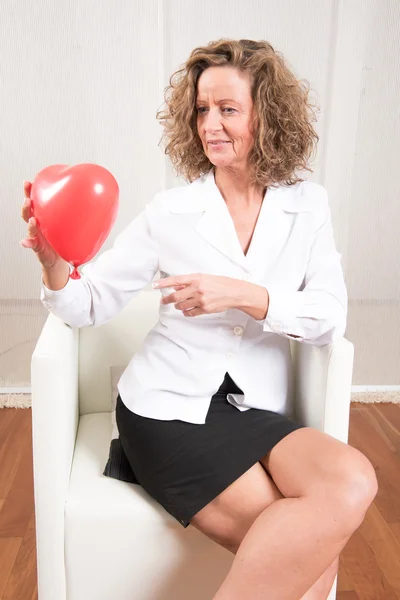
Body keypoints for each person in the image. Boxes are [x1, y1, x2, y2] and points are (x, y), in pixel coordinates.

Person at [21, 38, 377, 600]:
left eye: (228, 109)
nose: (211, 123)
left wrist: (242, 294)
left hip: (253, 407)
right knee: (311, 563)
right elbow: (89, 303)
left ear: (268, 115)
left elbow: (330, 317)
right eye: (203, 109)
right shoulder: (171, 213)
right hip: (164, 408)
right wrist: (55, 266)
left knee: (355, 479)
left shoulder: (307, 206)